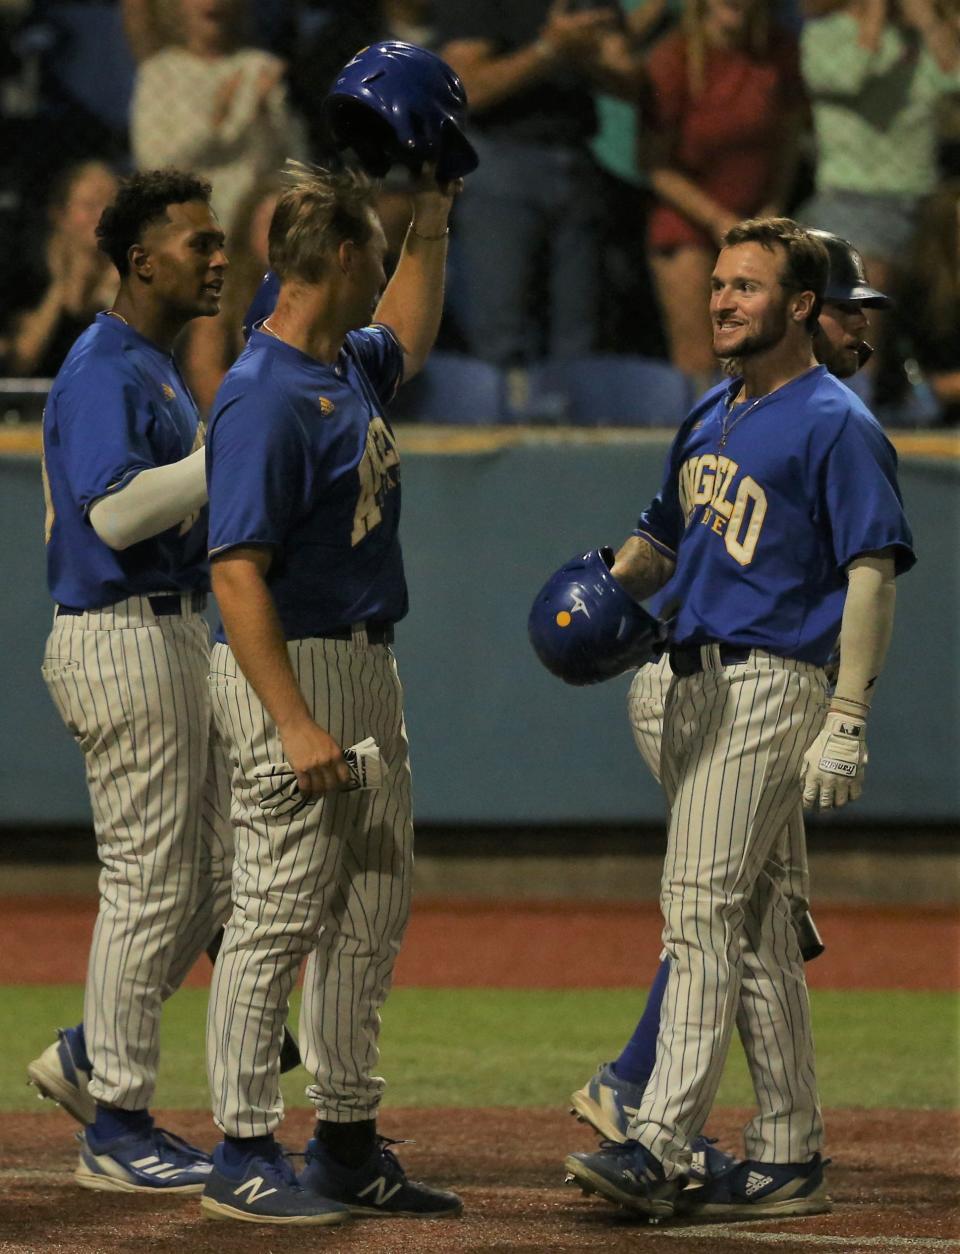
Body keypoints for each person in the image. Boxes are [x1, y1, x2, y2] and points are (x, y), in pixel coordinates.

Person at [563, 217, 915, 1222]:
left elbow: (871, 574)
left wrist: (847, 714)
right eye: (717, 283)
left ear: (800, 306)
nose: (721, 299)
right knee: (758, 925)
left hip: (773, 684)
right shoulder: (710, 410)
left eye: (746, 287)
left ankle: (659, 1138)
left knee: (702, 906)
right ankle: (790, 1151)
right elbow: (657, 543)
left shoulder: (835, 421)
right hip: (685, 682)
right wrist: (602, 587)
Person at [198, 159, 463, 1225]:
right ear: (344, 254)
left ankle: (345, 1143)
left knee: (370, 901)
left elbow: (407, 327)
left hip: (360, 660)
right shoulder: (263, 393)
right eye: (379, 245)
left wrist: (437, 215)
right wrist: (294, 720)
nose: (381, 268)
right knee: (274, 908)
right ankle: (241, 1147)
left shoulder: (339, 364)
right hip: (292, 664)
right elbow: (233, 572)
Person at [26, 170, 234, 1192]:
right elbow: (113, 515)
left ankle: (88, 1053)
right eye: (199, 242)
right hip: (120, 632)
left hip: (165, 629)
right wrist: (224, 453)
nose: (218, 256)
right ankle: (116, 1122)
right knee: (152, 880)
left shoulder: (149, 364)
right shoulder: (105, 365)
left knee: (215, 877)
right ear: (141, 258)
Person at [438, 0, 643, 366]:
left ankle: (576, 419)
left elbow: (630, 80)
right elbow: (465, 89)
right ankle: (504, 421)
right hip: (500, 168)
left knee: (581, 340)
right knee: (502, 339)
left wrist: (582, 54)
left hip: (577, 165)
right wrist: (549, 50)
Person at [642, 0, 807, 393]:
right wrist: (718, 220)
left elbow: (788, 143)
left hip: (758, 221)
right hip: (689, 222)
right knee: (704, 365)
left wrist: (772, 210)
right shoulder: (672, 57)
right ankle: (702, 450)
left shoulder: (779, 51)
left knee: (764, 357)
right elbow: (653, 165)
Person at [130, 0, 306, 232]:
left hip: (252, 229)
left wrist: (264, 118)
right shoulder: (158, 74)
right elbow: (152, 165)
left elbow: (292, 163)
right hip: (185, 225)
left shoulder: (259, 67)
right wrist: (212, 127)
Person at [180, 172, 284, 413]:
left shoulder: (316, 290)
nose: (281, 238)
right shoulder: (221, 292)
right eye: (271, 225)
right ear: (249, 229)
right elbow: (205, 378)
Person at [7, 161, 119, 377]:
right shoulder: (28, 267)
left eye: (110, 206)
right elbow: (20, 361)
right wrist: (61, 289)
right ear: (59, 214)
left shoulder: (130, 269)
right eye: (89, 206)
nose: (102, 216)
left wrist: (112, 294)